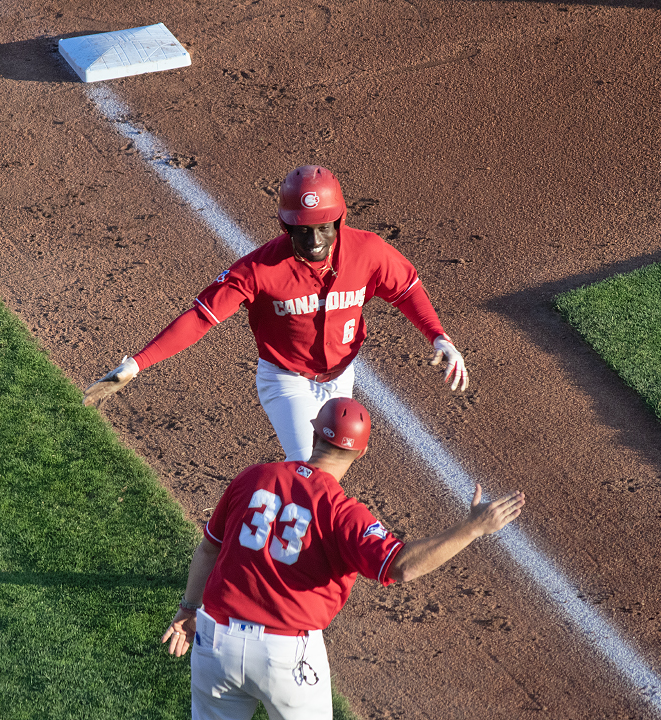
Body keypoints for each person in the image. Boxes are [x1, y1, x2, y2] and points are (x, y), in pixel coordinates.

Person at [160, 397, 525, 720]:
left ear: (315, 433)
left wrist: (189, 607)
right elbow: (401, 566)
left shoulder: (255, 477)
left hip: (216, 643)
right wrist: (473, 528)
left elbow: (210, 547)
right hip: (285, 656)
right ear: (360, 453)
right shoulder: (343, 512)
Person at [84, 165, 468, 461]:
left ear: (339, 220)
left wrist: (439, 336)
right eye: (301, 231)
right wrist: (137, 363)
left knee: (329, 472)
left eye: (323, 229)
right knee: (308, 466)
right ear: (285, 225)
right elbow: (201, 317)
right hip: (286, 379)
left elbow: (407, 290)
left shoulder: (368, 252)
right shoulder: (259, 269)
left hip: (342, 373)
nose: (314, 241)